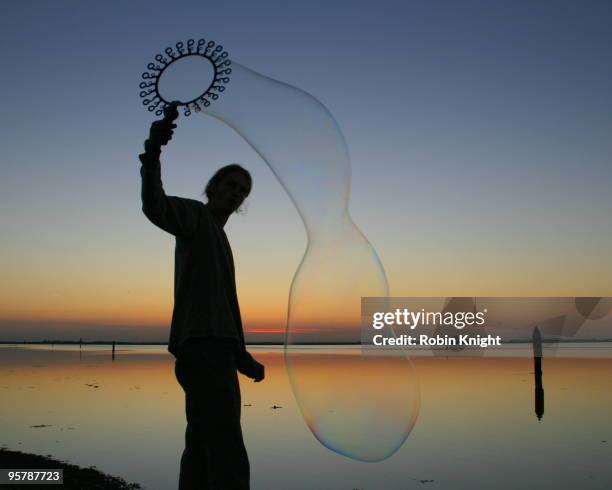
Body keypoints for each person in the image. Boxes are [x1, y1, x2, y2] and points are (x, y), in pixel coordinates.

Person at [139, 102, 264, 490]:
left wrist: (240, 355)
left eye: (242, 190)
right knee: (225, 442)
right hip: (204, 349)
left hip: (213, 350)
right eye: (230, 185)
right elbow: (154, 206)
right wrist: (153, 153)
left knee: (201, 441)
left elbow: (221, 305)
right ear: (213, 188)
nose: (236, 193)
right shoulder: (195, 217)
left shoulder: (219, 236)